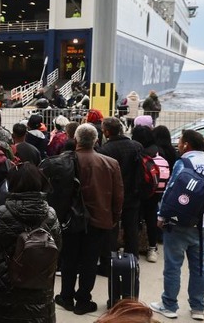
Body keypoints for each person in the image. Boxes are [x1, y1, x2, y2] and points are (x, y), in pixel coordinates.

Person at [150, 130, 204, 321]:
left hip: (178, 223)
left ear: (186, 145)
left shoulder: (184, 163)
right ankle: (198, 307)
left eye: (180, 142)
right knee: (199, 267)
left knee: (173, 266)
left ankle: (169, 304)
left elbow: (171, 191)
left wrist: (162, 215)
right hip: (203, 224)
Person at [56, 123, 123, 316]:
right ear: (96, 140)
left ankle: (66, 296)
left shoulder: (64, 161)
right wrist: (114, 218)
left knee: (69, 258)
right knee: (89, 261)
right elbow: (118, 196)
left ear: (75, 140)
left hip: (70, 220)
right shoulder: (110, 163)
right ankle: (83, 299)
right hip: (100, 219)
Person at [0, 163, 61, 322]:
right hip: (40, 284)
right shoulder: (51, 215)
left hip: (5, 286)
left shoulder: (2, 213)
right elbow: (58, 247)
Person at [99, 116, 144, 258]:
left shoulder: (105, 151)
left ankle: (109, 260)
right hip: (134, 193)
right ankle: (132, 258)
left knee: (111, 229)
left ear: (106, 132)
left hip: (113, 195)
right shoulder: (137, 146)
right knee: (131, 228)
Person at [131, 125, 165, 263]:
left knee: (134, 219)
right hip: (155, 190)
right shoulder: (159, 151)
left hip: (137, 191)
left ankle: (134, 246)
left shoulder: (137, 151)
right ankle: (152, 247)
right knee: (151, 218)